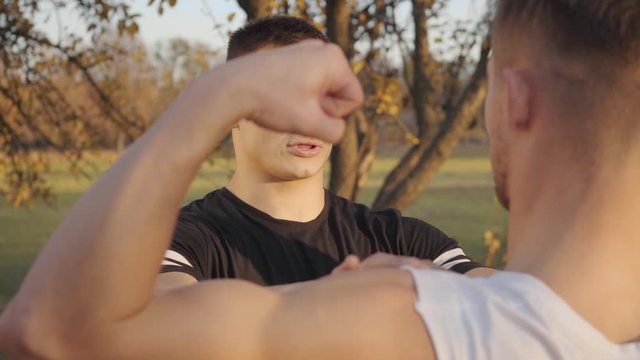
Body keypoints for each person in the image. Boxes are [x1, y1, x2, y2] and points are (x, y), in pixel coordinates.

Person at [1, 0, 640, 358]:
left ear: (515, 99)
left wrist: (211, 97)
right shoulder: (188, 237)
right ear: (238, 124)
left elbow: (53, 331)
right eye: (275, 100)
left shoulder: (413, 292)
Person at [157, 15, 487, 294]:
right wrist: (338, 302)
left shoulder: (400, 242)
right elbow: (170, 320)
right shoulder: (180, 241)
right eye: (283, 96)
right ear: (232, 111)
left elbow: (515, 304)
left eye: (322, 96)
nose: (307, 118)